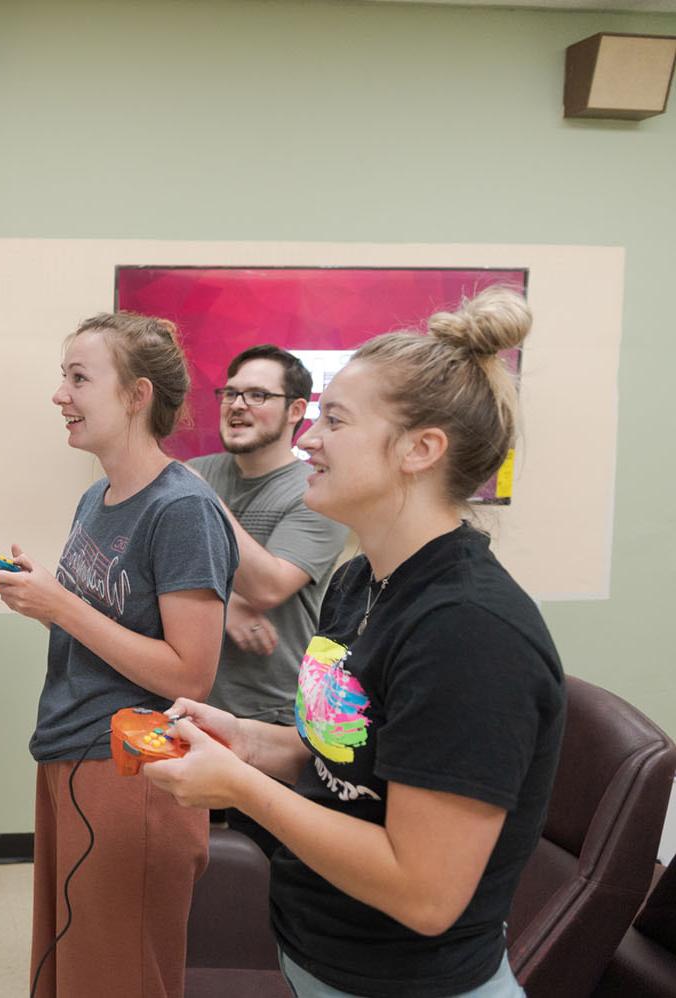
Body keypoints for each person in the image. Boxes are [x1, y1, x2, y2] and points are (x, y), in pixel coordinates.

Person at [146, 286, 566, 997]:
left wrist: (238, 786)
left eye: (333, 421)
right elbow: (341, 756)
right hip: (318, 954)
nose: (308, 438)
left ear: (420, 449)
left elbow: (423, 892)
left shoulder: (469, 632)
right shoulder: (360, 583)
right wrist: (245, 740)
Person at [0, 311, 238, 998]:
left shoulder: (184, 508)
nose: (59, 395)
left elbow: (191, 673)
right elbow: (105, 633)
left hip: (135, 769)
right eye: (62, 377)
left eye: (78, 378)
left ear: (136, 396)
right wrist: (45, 601)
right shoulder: (93, 501)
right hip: (69, 753)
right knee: (73, 966)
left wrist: (64, 606)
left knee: (122, 975)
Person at [189, 345, 349, 854]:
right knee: (190, 872)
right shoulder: (196, 471)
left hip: (271, 721)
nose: (238, 404)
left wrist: (199, 499)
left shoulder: (316, 491)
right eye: (231, 392)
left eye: (258, 394)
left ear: (296, 411)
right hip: (193, 706)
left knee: (260, 873)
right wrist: (229, 605)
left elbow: (269, 586)